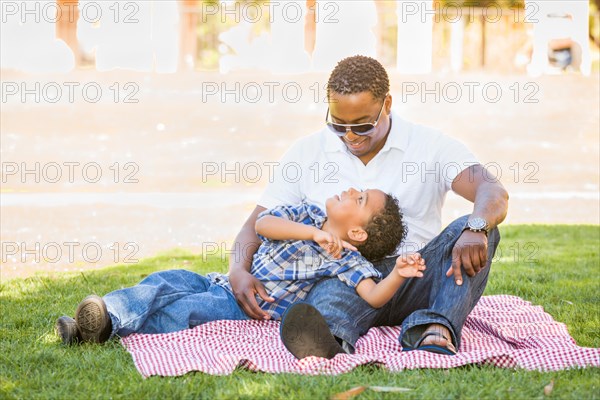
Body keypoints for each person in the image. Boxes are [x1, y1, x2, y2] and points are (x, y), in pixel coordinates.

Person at [227, 55, 509, 357]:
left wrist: (476, 226)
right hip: (349, 279)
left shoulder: (430, 145)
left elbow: (491, 190)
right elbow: (255, 224)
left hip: (418, 276)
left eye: (362, 126)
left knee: (477, 230)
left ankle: (435, 327)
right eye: (338, 124)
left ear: (386, 105)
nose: (349, 136)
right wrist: (237, 270)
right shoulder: (306, 152)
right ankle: (329, 341)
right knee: (327, 289)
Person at [55, 188, 422, 345]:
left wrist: (397, 274)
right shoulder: (307, 213)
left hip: (242, 307)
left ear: (356, 231)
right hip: (220, 280)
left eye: (359, 198)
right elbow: (264, 226)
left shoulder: (345, 259)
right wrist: (312, 233)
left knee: (184, 310)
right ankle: (108, 312)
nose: (351, 189)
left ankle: (104, 327)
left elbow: (373, 296)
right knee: (165, 280)